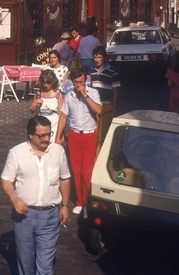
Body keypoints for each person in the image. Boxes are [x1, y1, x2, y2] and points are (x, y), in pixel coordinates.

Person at [1, 116, 71, 275]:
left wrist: (65, 205)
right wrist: (14, 199)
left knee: (45, 265)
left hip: (50, 215)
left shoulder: (57, 152)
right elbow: (6, 180)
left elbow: (65, 178)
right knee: (26, 261)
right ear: (30, 135)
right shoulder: (17, 153)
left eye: (49, 134)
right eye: (41, 135)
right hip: (24, 216)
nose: (46, 139)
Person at [56, 60, 101, 216]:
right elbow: (63, 116)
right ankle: (80, 202)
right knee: (76, 171)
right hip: (74, 135)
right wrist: (58, 136)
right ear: (72, 82)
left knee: (87, 171)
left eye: (81, 82)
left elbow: (99, 110)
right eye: (76, 82)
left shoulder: (93, 93)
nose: (79, 85)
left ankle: (87, 203)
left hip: (89, 135)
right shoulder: (69, 96)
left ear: (85, 80)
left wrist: (85, 95)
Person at [89, 45, 121, 147]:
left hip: (106, 105)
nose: (97, 60)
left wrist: (113, 109)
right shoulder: (91, 71)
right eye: (95, 57)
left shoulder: (112, 71)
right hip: (94, 106)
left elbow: (115, 92)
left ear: (105, 57)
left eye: (99, 57)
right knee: (94, 133)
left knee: (103, 136)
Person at [29, 69, 65, 142]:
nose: (46, 85)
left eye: (48, 83)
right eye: (44, 83)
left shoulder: (58, 94)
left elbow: (62, 115)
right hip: (41, 125)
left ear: (53, 82)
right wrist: (36, 105)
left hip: (54, 125)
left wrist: (61, 134)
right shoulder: (39, 94)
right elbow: (31, 109)